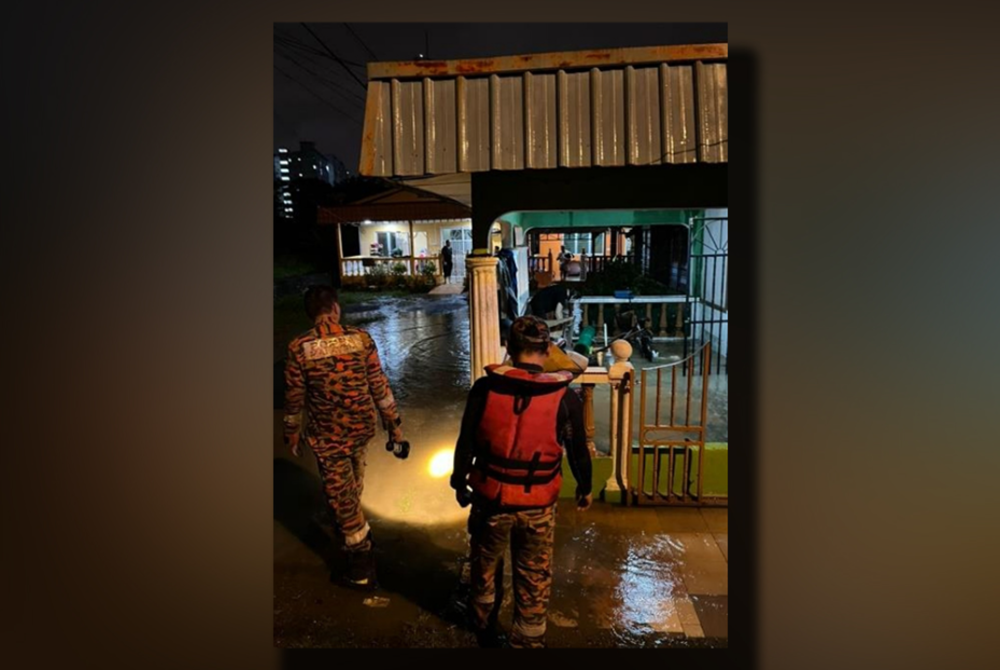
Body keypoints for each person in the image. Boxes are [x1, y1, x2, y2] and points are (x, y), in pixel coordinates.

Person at [451, 316, 592, 648]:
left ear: (510, 350)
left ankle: (483, 626)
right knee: (533, 575)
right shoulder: (565, 397)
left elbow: (466, 442)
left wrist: (459, 482)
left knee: (484, 566)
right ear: (547, 349)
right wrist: (584, 488)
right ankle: (527, 641)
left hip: (490, 500)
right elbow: (578, 451)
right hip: (538, 507)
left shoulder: (484, 389)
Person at [283, 285, 404, 590]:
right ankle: (354, 524)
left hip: (327, 435)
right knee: (351, 485)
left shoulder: (299, 347)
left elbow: (294, 396)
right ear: (335, 308)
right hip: (362, 429)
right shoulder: (361, 339)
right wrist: (393, 425)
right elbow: (379, 384)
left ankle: (361, 565)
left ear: (311, 314)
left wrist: (292, 432)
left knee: (341, 494)